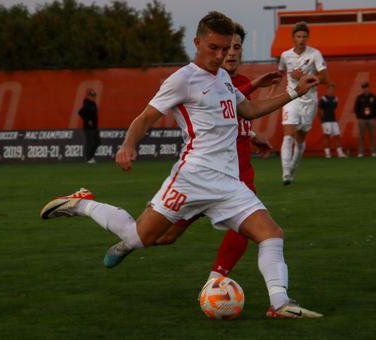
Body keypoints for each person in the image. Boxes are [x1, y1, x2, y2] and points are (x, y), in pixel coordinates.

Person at [40, 12, 322, 319]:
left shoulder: (224, 78)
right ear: (197, 42)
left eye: (226, 48)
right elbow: (145, 117)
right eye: (214, 47)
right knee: (140, 237)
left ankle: (280, 304)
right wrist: (128, 145)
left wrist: (295, 92)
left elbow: (250, 109)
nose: (221, 55)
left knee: (271, 233)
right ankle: (82, 204)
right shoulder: (182, 79)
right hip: (191, 179)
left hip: (228, 183)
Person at [129, 22, 280, 284]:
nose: (227, 54)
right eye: (222, 48)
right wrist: (127, 145)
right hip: (198, 176)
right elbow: (219, 110)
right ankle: (116, 233)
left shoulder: (230, 80)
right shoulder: (190, 79)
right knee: (163, 236)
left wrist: (254, 136)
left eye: (234, 48)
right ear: (200, 44)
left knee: (257, 229)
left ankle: (219, 282)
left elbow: (240, 114)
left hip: (235, 174)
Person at [278, 21, 328, 185]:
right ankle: (285, 173)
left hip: (309, 101)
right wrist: (273, 87)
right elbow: (280, 73)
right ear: (293, 38)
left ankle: (292, 169)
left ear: (308, 38)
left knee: (300, 139)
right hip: (291, 98)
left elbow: (325, 78)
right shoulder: (285, 55)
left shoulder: (315, 54)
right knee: (288, 134)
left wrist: (303, 78)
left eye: (304, 36)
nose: (301, 39)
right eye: (298, 36)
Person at [318, 83, 347, 158]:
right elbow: (319, 109)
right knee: (326, 136)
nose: (331, 90)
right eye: (330, 89)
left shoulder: (335, 99)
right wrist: (323, 119)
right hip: (326, 121)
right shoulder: (323, 99)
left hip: (333, 120)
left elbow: (334, 108)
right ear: (327, 90)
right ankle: (327, 153)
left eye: (333, 89)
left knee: (337, 135)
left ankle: (340, 153)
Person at [354, 82, 376, 157]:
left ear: (368, 88)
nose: (365, 89)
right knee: (361, 136)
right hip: (362, 119)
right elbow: (356, 108)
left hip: (371, 119)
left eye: (366, 88)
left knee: (372, 136)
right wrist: (359, 117)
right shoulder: (359, 97)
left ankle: (373, 152)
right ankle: (361, 152)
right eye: (364, 88)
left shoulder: (373, 97)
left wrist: (374, 117)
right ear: (362, 89)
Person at [78, 89, 100, 163]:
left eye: (94, 96)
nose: (93, 97)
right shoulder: (87, 104)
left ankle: (91, 157)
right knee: (90, 143)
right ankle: (89, 158)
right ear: (88, 96)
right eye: (91, 96)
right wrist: (87, 121)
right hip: (88, 128)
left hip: (95, 127)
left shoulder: (93, 104)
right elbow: (80, 112)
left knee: (98, 142)